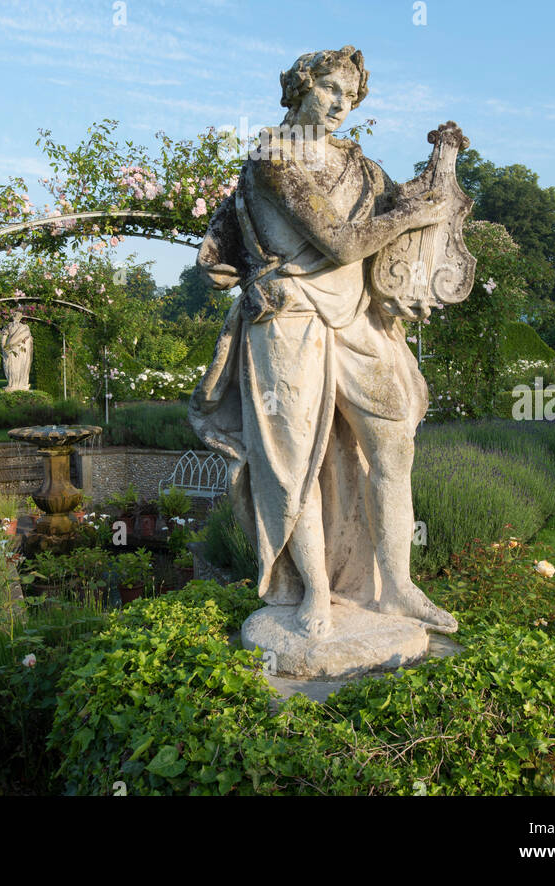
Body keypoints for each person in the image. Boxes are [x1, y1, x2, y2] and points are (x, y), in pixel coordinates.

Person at [188, 45, 458, 636]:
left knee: (392, 445)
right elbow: (338, 241)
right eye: (330, 89)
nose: (341, 104)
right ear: (300, 87)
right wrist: (412, 216)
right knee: (296, 463)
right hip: (287, 319)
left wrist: (442, 178)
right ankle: (314, 591)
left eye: (350, 95)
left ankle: (400, 588)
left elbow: (390, 247)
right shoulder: (272, 154)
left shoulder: (362, 168)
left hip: (358, 317)